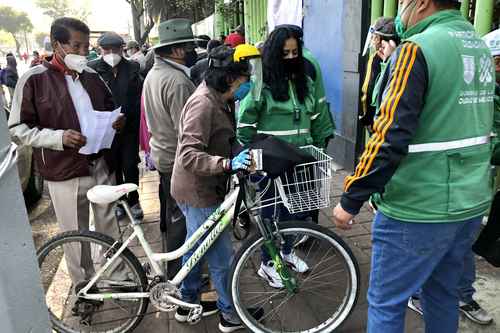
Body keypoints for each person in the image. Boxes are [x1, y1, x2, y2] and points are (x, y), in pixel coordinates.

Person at [332, 1, 497, 332]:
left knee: (386, 301)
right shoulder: (479, 47)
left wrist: (351, 198)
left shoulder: (416, 49)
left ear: (422, 2)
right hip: (470, 202)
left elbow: (388, 134)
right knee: (442, 295)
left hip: (418, 205)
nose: (401, 11)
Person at [8, 17, 126, 284]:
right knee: (76, 232)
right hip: (64, 171)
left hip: (99, 163)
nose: (84, 52)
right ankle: (84, 286)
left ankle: (118, 276)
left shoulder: (92, 76)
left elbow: (109, 109)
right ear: (56, 44)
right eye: (77, 46)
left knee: (110, 225)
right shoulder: (34, 80)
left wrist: (117, 121)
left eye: (87, 46)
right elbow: (17, 128)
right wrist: (58, 138)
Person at [171, 44, 264, 332]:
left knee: (196, 247)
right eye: (244, 79)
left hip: (202, 187)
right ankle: (229, 313)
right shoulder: (204, 104)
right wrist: (226, 164)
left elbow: (222, 136)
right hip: (198, 191)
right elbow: (188, 155)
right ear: (229, 79)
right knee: (222, 257)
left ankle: (186, 302)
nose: (247, 84)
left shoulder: (220, 100)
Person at [237, 26, 335, 288]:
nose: (291, 57)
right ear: (273, 53)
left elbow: (316, 115)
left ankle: (287, 252)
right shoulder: (261, 81)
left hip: (300, 157)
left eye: (295, 52)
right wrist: (246, 155)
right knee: (270, 212)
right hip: (271, 160)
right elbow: (245, 121)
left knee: (297, 211)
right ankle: (267, 264)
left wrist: (319, 146)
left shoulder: (305, 79)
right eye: (285, 53)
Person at [143, 18, 198, 280]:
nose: (191, 53)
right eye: (188, 47)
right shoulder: (177, 82)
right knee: (181, 221)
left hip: (163, 155)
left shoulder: (154, 74)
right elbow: (188, 131)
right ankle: (181, 277)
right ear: (177, 51)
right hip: (177, 159)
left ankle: (178, 272)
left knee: (173, 216)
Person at [88, 32, 144, 220]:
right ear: (100, 50)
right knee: (113, 166)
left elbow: (138, 97)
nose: (111, 53)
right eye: (107, 49)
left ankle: (134, 200)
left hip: (129, 127)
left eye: (116, 49)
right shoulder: (92, 70)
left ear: (123, 49)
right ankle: (120, 201)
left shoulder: (133, 68)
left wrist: (128, 117)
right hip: (106, 128)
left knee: (130, 164)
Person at [360, 17, 397, 132]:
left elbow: (368, 91)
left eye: (374, 37)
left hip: (379, 121)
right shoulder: (402, 54)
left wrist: (367, 119)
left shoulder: (375, 58)